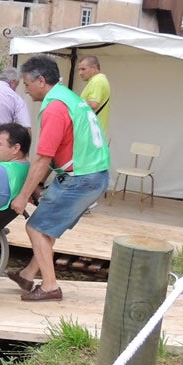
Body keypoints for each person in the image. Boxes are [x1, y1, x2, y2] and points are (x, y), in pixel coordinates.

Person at [8, 55, 110, 302]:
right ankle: (28, 273)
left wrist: (22, 195)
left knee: (35, 227)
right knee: (47, 225)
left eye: (27, 84)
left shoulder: (54, 107)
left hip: (81, 177)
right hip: (94, 174)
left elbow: (43, 158)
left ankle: (50, 286)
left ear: (41, 81)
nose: (26, 89)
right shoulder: (70, 97)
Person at [77, 55, 111, 140]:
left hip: (92, 134)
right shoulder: (98, 80)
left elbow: (93, 104)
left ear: (94, 68)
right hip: (94, 133)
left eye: (83, 69)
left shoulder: (97, 81)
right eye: (79, 69)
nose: (80, 73)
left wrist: (75, 102)